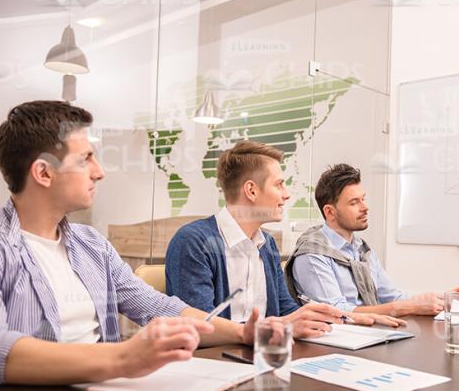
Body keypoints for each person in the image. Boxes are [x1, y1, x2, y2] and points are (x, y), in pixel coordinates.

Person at [0, 101, 257, 391]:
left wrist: (243, 333)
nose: (99, 172)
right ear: (44, 173)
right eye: (85, 159)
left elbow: (157, 307)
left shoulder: (91, 244)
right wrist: (123, 358)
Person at [166, 142, 403, 335]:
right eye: (279, 185)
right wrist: (279, 326)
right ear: (251, 190)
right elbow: (200, 329)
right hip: (216, 368)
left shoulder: (266, 244)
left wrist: (348, 317)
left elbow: (286, 310)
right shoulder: (193, 242)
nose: (287, 194)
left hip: (265, 357)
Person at [286, 164, 459, 317]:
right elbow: (336, 312)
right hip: (337, 343)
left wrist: (438, 298)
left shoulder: (361, 249)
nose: (365, 207)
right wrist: (409, 307)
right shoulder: (311, 254)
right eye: (354, 203)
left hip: (369, 335)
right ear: (330, 212)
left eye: (363, 199)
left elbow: (392, 297)